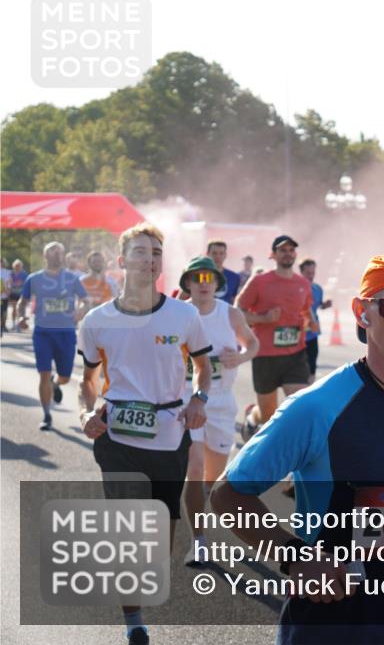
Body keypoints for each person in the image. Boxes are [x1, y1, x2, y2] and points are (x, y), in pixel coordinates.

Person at [211, 250, 384, 644]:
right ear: (362, 312)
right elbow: (227, 494)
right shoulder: (316, 408)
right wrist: (294, 557)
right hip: (324, 625)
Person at [77, 222, 213, 645]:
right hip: (117, 437)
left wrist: (198, 401)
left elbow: (205, 370)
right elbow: (87, 380)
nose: (148, 258)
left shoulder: (184, 314)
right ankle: (133, 620)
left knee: (160, 536)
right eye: (139, 251)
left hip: (169, 434)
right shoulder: (96, 321)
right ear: (121, 261)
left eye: (155, 252)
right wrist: (85, 412)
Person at [175, 255, 258, 566]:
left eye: (209, 278)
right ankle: (198, 542)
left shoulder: (230, 314)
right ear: (188, 283)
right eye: (197, 278)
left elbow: (251, 344)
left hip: (222, 403)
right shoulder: (176, 314)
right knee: (194, 472)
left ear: (217, 283)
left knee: (212, 481)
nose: (203, 284)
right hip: (188, 400)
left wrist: (239, 357)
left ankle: (200, 516)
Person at [237, 235, 315, 439]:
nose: (287, 254)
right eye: (282, 250)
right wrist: (262, 318)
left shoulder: (303, 284)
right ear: (273, 255)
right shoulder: (260, 281)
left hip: (295, 354)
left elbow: (306, 311)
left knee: (300, 404)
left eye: (291, 250)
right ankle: (253, 418)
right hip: (266, 356)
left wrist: (309, 321)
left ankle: (294, 453)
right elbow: (239, 310)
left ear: (295, 255)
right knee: (267, 416)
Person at [15, 241, 89, 430]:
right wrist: (22, 316)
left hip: (65, 333)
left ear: (63, 256)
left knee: (64, 376)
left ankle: (56, 383)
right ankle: (47, 414)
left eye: (59, 253)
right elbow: (22, 302)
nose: (56, 256)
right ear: (45, 256)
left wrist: (80, 310)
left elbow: (85, 300)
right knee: (43, 374)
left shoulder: (72, 278)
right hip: (43, 333)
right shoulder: (34, 278)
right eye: (52, 253)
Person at [299, 258, 332, 384]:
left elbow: (318, 306)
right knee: (299, 367)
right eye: (308, 273)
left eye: (313, 273)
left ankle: (309, 389)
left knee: (312, 364)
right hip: (298, 334)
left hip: (312, 333)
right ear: (301, 272)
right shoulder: (294, 288)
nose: (311, 276)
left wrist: (325, 305)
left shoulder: (317, 288)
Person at [206, 239, 242, 304]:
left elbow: (235, 300)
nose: (217, 256)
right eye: (214, 253)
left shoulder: (234, 277)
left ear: (225, 255)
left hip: (225, 313)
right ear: (207, 254)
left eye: (221, 253)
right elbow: (184, 297)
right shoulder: (201, 275)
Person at [8, 259, 27, 332]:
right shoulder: (11, 273)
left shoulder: (24, 274)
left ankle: (20, 325)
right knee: (14, 309)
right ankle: (13, 324)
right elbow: (9, 282)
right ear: (14, 266)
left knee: (21, 310)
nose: (17, 267)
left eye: (19, 266)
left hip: (22, 294)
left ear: (21, 266)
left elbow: (26, 283)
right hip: (13, 293)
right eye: (16, 266)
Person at [0, 258, 11, 334]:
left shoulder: (7, 272)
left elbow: (9, 283)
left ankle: (3, 325)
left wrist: (8, 291)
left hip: (4, 296)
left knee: (4, 312)